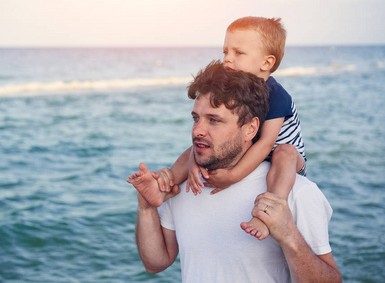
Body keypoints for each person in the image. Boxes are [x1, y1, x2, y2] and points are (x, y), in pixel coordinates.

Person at [127, 61, 341, 282]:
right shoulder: (184, 185)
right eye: (195, 118)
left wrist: (289, 236)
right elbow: (156, 263)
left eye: (214, 120)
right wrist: (146, 208)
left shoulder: (295, 192)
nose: (197, 130)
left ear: (251, 128)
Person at [155, 16, 306, 240]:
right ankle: (168, 180)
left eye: (238, 53)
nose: (228, 59)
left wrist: (233, 176)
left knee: (284, 153)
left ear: (266, 63)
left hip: (286, 155)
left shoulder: (277, 95)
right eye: (225, 51)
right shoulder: (237, 91)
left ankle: (269, 212)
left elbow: (266, 143)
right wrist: (194, 161)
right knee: (200, 143)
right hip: (252, 144)